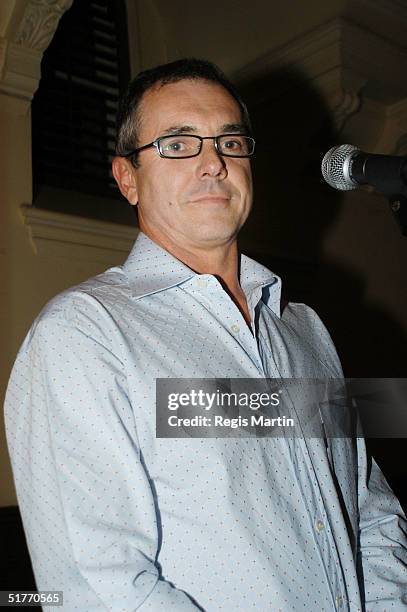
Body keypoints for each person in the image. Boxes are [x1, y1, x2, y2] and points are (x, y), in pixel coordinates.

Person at [4, 58, 407, 611]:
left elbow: (371, 509)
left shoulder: (306, 329)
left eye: (230, 142)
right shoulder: (83, 335)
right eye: (177, 144)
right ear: (127, 179)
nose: (213, 163)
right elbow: (96, 588)